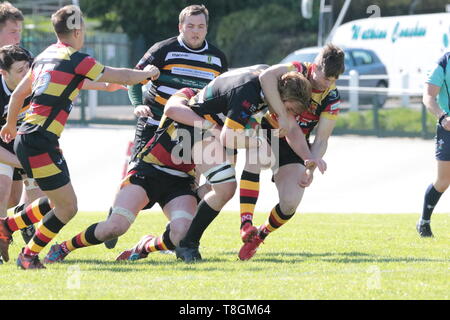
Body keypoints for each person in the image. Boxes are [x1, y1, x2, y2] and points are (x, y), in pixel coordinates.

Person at [0, 5, 159, 269]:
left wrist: (9, 125)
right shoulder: (77, 59)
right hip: (40, 141)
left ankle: (8, 226)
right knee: (67, 207)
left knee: (57, 201)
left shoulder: (44, 56)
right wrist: (148, 74)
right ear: (77, 30)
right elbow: (123, 75)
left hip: (31, 139)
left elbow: (17, 95)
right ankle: (28, 255)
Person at [147, 64, 326, 263]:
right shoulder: (248, 92)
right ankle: (187, 243)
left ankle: (170, 236)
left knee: (218, 188)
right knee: (225, 186)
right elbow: (228, 138)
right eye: (288, 109)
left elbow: (289, 127)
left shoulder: (269, 84)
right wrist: (257, 142)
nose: (286, 114)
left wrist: (309, 157)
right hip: (192, 128)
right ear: (281, 97)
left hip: (210, 129)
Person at [104, 4, 229, 250]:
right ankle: (116, 216)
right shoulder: (164, 50)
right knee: (139, 176)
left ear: (207, 28)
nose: (195, 31)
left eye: (200, 27)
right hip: (154, 125)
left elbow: (220, 94)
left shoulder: (216, 58)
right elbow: (134, 78)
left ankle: (178, 236)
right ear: (181, 26)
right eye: (190, 26)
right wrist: (138, 105)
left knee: (189, 182)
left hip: (190, 131)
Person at [238, 44, 345, 260]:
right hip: (267, 129)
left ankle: (259, 235)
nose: (328, 84)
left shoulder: (331, 97)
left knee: (290, 202)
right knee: (257, 156)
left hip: (296, 142)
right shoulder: (297, 69)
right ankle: (246, 223)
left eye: (334, 80)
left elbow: (322, 139)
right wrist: (282, 115)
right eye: (326, 78)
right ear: (314, 67)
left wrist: (311, 167)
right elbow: (267, 76)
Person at [418, 51, 450, 237]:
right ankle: (424, 221)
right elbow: (428, 96)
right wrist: (443, 117)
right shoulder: (443, 64)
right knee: (444, 181)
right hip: (448, 129)